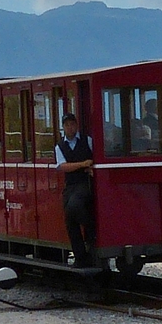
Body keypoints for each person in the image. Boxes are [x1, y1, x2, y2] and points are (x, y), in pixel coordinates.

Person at [55, 113, 95, 267]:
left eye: (72, 124)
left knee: (74, 206)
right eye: (67, 125)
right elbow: (62, 166)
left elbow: (95, 159)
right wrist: (82, 164)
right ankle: (80, 257)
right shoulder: (60, 146)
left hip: (86, 183)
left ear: (76, 125)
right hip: (70, 185)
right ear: (63, 127)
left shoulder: (87, 140)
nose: (69, 127)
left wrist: (88, 166)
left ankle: (91, 230)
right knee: (69, 221)